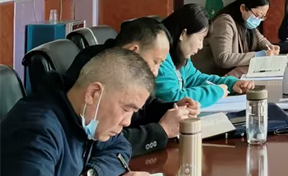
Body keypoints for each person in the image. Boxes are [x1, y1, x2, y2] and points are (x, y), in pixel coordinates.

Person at [0, 48, 153, 176]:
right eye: (126, 109)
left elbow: (121, 147)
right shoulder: (36, 130)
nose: (127, 122)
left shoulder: (85, 117)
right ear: (93, 94)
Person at [64, 17, 200, 157]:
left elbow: (145, 108)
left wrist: (173, 108)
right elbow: (102, 142)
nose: (155, 72)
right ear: (133, 51)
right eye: (155, 62)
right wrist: (162, 131)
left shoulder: (129, 72)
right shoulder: (99, 69)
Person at [156, 4, 255, 108]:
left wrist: (231, 83)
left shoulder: (180, 56)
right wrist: (216, 91)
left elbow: (195, 79)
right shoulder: (159, 58)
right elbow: (173, 99)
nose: (201, 46)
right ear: (183, 34)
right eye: (200, 38)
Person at [194, 0, 281, 76]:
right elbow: (223, 58)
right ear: (243, 8)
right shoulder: (224, 22)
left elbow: (261, 40)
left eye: (262, 17)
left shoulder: (247, 23)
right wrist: (259, 55)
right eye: (257, 15)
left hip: (232, 74)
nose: (258, 20)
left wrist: (270, 48)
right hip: (212, 77)